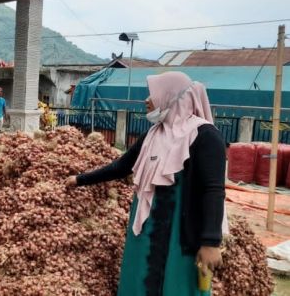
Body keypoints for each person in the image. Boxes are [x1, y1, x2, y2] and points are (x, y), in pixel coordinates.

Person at [67, 71, 227, 295]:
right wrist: (80, 179)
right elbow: (122, 166)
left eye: (153, 94)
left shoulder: (205, 136)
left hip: (179, 235)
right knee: (140, 279)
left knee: (176, 285)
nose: (147, 100)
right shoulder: (153, 134)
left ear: (171, 96)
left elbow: (213, 190)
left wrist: (210, 242)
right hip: (145, 229)